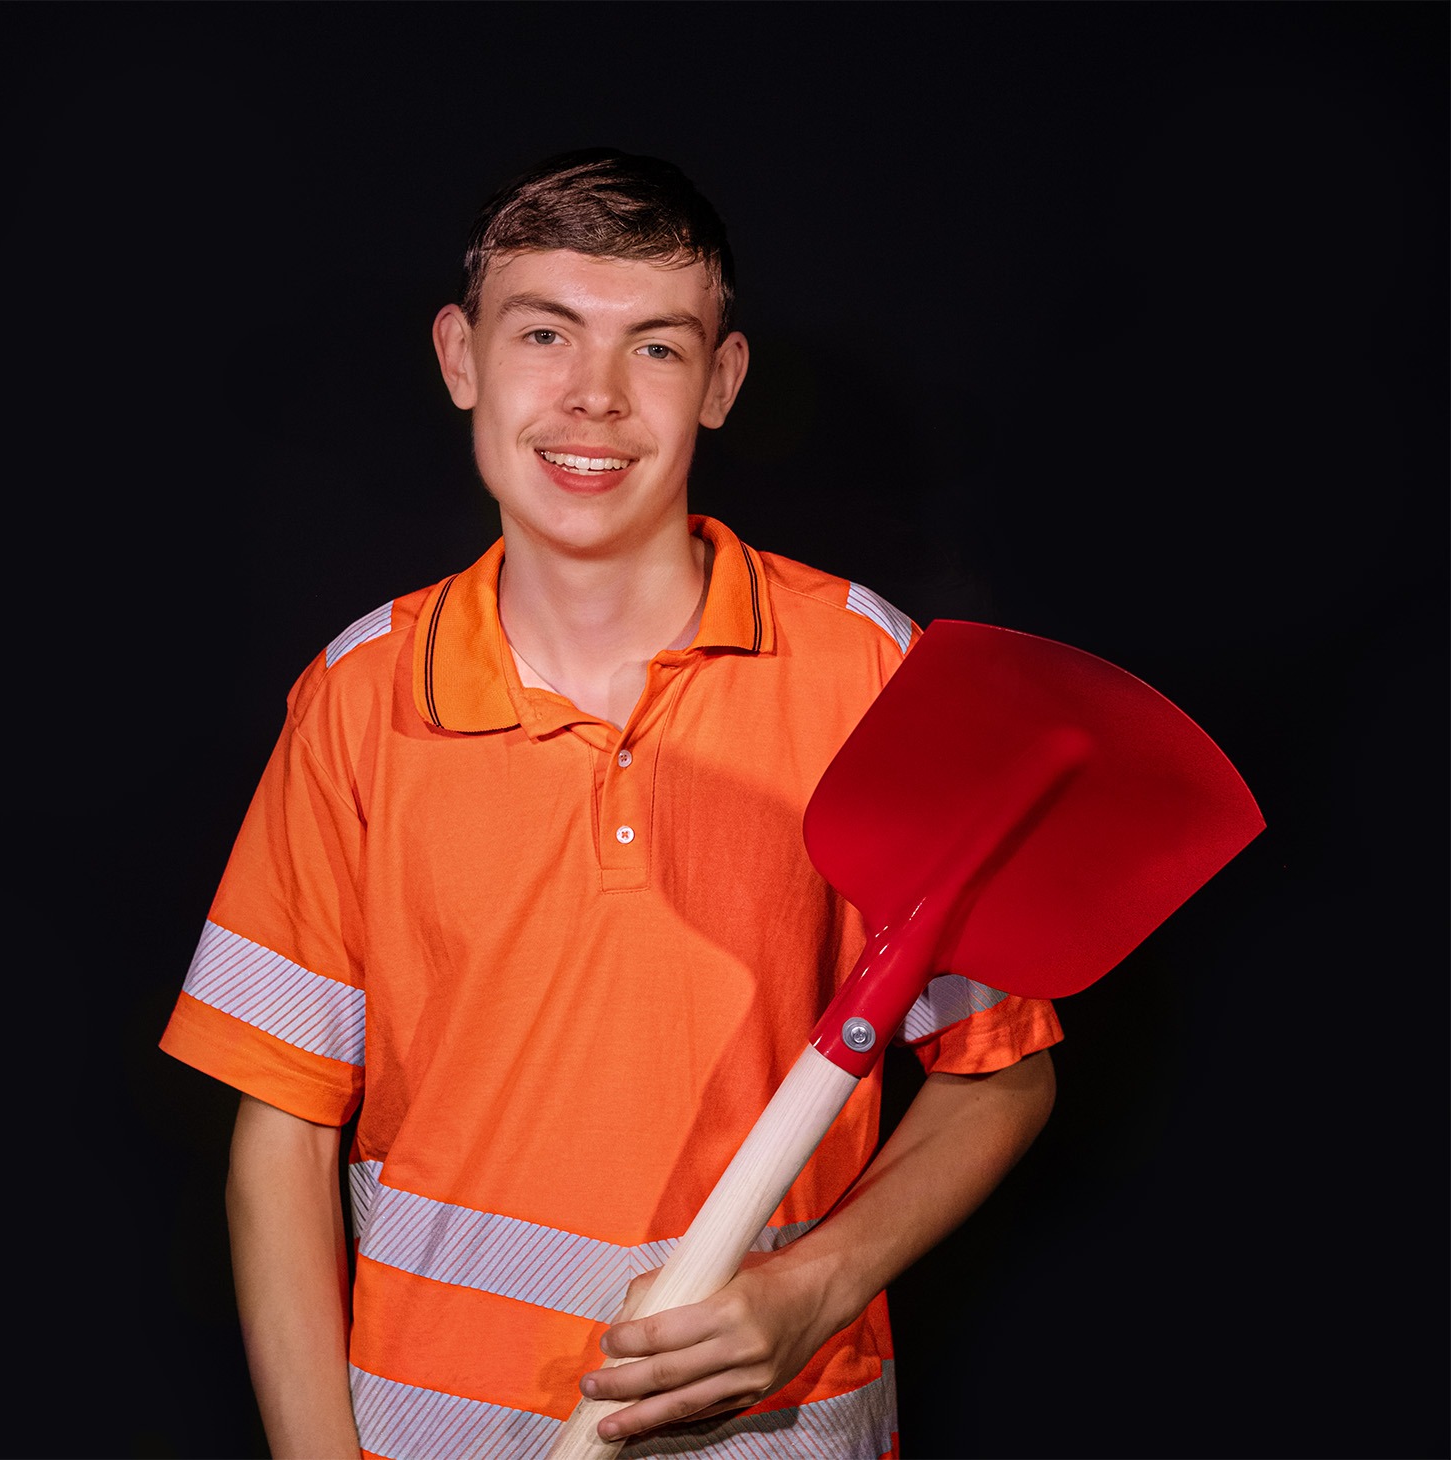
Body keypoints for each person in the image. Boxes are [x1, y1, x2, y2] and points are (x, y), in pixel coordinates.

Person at [160, 148, 1061, 1460]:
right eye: (545, 334)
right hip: (425, 1435)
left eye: (654, 348)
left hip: (779, 1431)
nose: (593, 400)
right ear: (461, 357)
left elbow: (1002, 1079)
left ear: (722, 382)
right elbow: (284, 1126)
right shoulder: (362, 695)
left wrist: (809, 1293)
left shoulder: (875, 673)